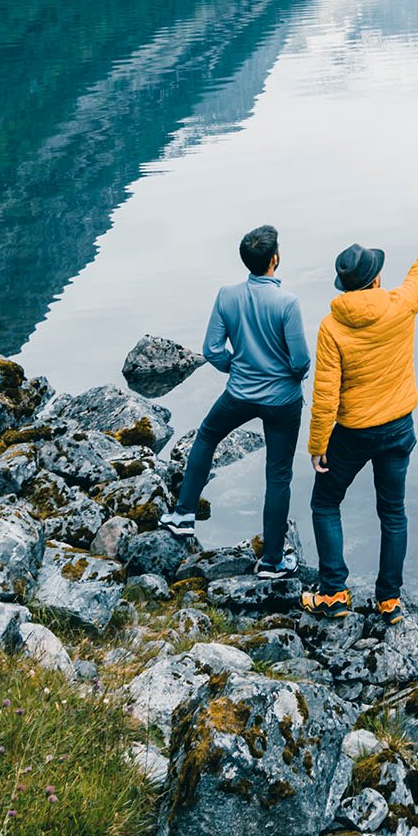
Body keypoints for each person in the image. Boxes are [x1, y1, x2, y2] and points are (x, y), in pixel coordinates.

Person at [304, 194, 418, 618]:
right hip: (397, 429)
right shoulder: (401, 305)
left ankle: (333, 591)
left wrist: (318, 445)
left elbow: (325, 394)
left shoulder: (331, 326)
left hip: (352, 434)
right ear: (374, 281)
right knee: (393, 512)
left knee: (325, 502)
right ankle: (389, 599)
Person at [160, 225, 312, 578]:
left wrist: (238, 368)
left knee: (207, 438)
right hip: (282, 401)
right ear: (275, 259)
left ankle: (183, 514)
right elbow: (301, 361)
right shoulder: (287, 303)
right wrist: (287, 374)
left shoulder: (226, 295)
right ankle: (272, 561)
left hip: (239, 393)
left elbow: (212, 350)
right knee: (278, 475)